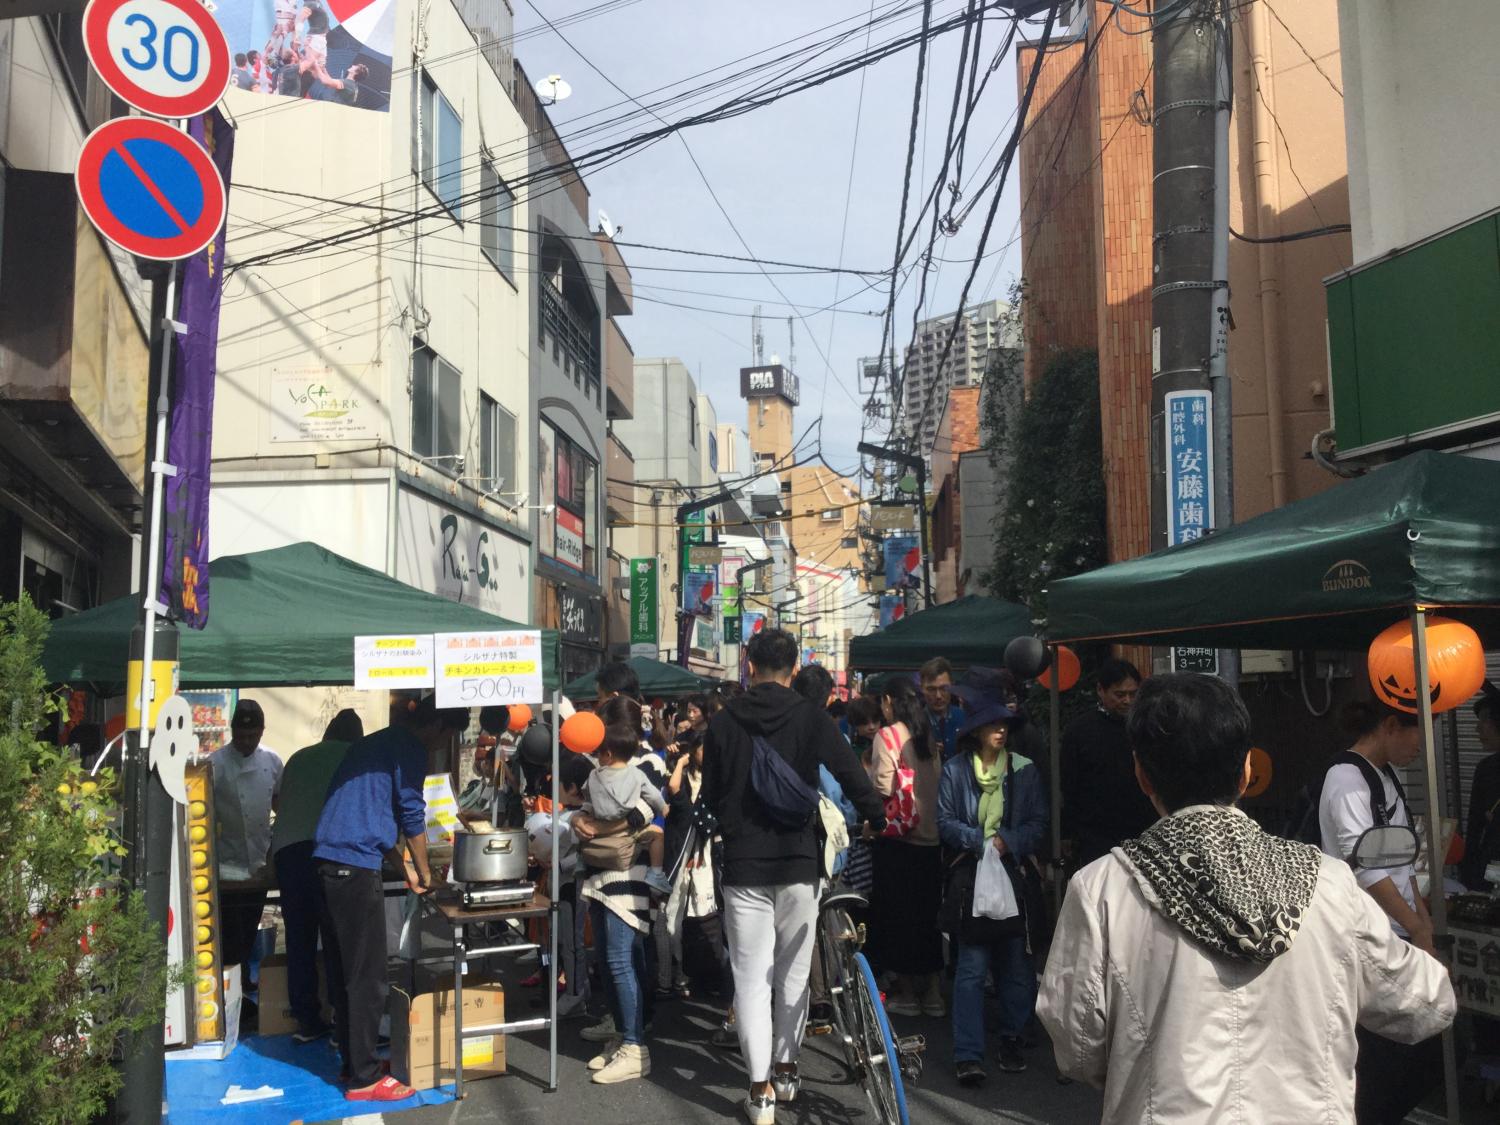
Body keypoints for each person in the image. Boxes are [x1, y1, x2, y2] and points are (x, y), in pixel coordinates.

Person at [1037, 674, 1455, 1124]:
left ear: (1141, 775)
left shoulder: (1102, 888)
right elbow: (1425, 1005)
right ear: (1247, 773)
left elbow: (1078, 1050)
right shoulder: (1327, 883)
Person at [703, 628, 885, 1125]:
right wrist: (875, 814)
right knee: (794, 976)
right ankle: (786, 1072)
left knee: (751, 977)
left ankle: (759, 1093)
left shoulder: (723, 723)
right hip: (799, 862)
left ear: (748, 662)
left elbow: (712, 795)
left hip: (744, 864)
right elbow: (850, 772)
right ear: (795, 664)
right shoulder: (811, 716)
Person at [313, 693, 468, 1102]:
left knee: (347, 971)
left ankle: (354, 1064)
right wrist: (429, 873)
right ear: (438, 728)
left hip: (331, 861)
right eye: (445, 738)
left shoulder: (379, 742)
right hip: (353, 866)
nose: (438, 747)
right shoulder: (410, 748)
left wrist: (409, 873)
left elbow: (378, 822)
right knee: (368, 977)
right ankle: (363, 1079)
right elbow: (411, 815)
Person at [1319, 697, 1446, 1123]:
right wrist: (1417, 926)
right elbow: (1366, 870)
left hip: (1403, 932)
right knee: (1387, 1053)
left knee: (1419, 1048)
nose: (1419, 749)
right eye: (1417, 736)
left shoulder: (1385, 775)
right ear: (1390, 725)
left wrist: (1422, 919)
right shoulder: (1346, 778)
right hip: (1369, 935)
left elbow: (1402, 857)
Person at [937, 698, 1047, 1085]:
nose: (1001, 730)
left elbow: (1038, 823)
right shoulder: (954, 771)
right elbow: (945, 821)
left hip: (1012, 873)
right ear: (976, 732)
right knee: (971, 967)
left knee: (1016, 962)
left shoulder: (1024, 770)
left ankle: (1013, 1037)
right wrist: (978, 840)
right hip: (969, 875)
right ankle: (968, 1053)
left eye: (1005, 725)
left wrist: (1007, 841)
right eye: (993, 724)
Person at [270, 709, 363, 1044]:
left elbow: (278, 803)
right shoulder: (354, 755)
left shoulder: (298, 758)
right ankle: (343, 1021)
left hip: (287, 852)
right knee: (337, 937)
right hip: (328, 850)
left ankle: (307, 1020)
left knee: (299, 937)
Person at [866, 678, 945, 1019]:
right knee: (928, 919)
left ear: (888, 701)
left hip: (900, 841)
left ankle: (909, 996)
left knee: (900, 919)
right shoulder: (926, 735)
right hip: (931, 839)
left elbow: (883, 786)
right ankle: (935, 996)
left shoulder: (888, 735)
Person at [211, 699, 283, 1008]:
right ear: (232, 732)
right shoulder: (215, 763)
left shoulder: (272, 761)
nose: (246, 742)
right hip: (226, 861)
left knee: (251, 920)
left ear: (261, 732)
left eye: (252, 736)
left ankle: (242, 981)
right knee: (230, 929)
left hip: (258, 858)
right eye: (241, 736)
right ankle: (231, 984)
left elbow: (280, 802)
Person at [1059, 658, 1155, 869]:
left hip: (1144, 831)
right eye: (1119, 695)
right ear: (1101, 691)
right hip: (1096, 837)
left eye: (1133, 694)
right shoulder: (1080, 731)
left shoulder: (1147, 727)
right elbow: (1068, 785)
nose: (1127, 701)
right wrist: (1067, 832)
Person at [582, 723, 673, 895]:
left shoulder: (594, 775)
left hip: (600, 827)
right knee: (657, 834)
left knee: (579, 830)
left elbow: (586, 797)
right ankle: (656, 873)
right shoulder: (637, 774)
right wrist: (664, 808)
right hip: (628, 829)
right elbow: (653, 796)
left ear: (607, 754)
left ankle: (580, 859)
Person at [1461, 687, 1500, 890]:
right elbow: (1475, 826)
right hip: (1489, 871)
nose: (1477, 729)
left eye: (1483, 720)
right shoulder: (1486, 769)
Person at [920, 657, 966, 762]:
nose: (938, 696)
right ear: (922, 688)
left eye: (944, 688)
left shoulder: (965, 718)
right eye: (931, 689)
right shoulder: (914, 724)